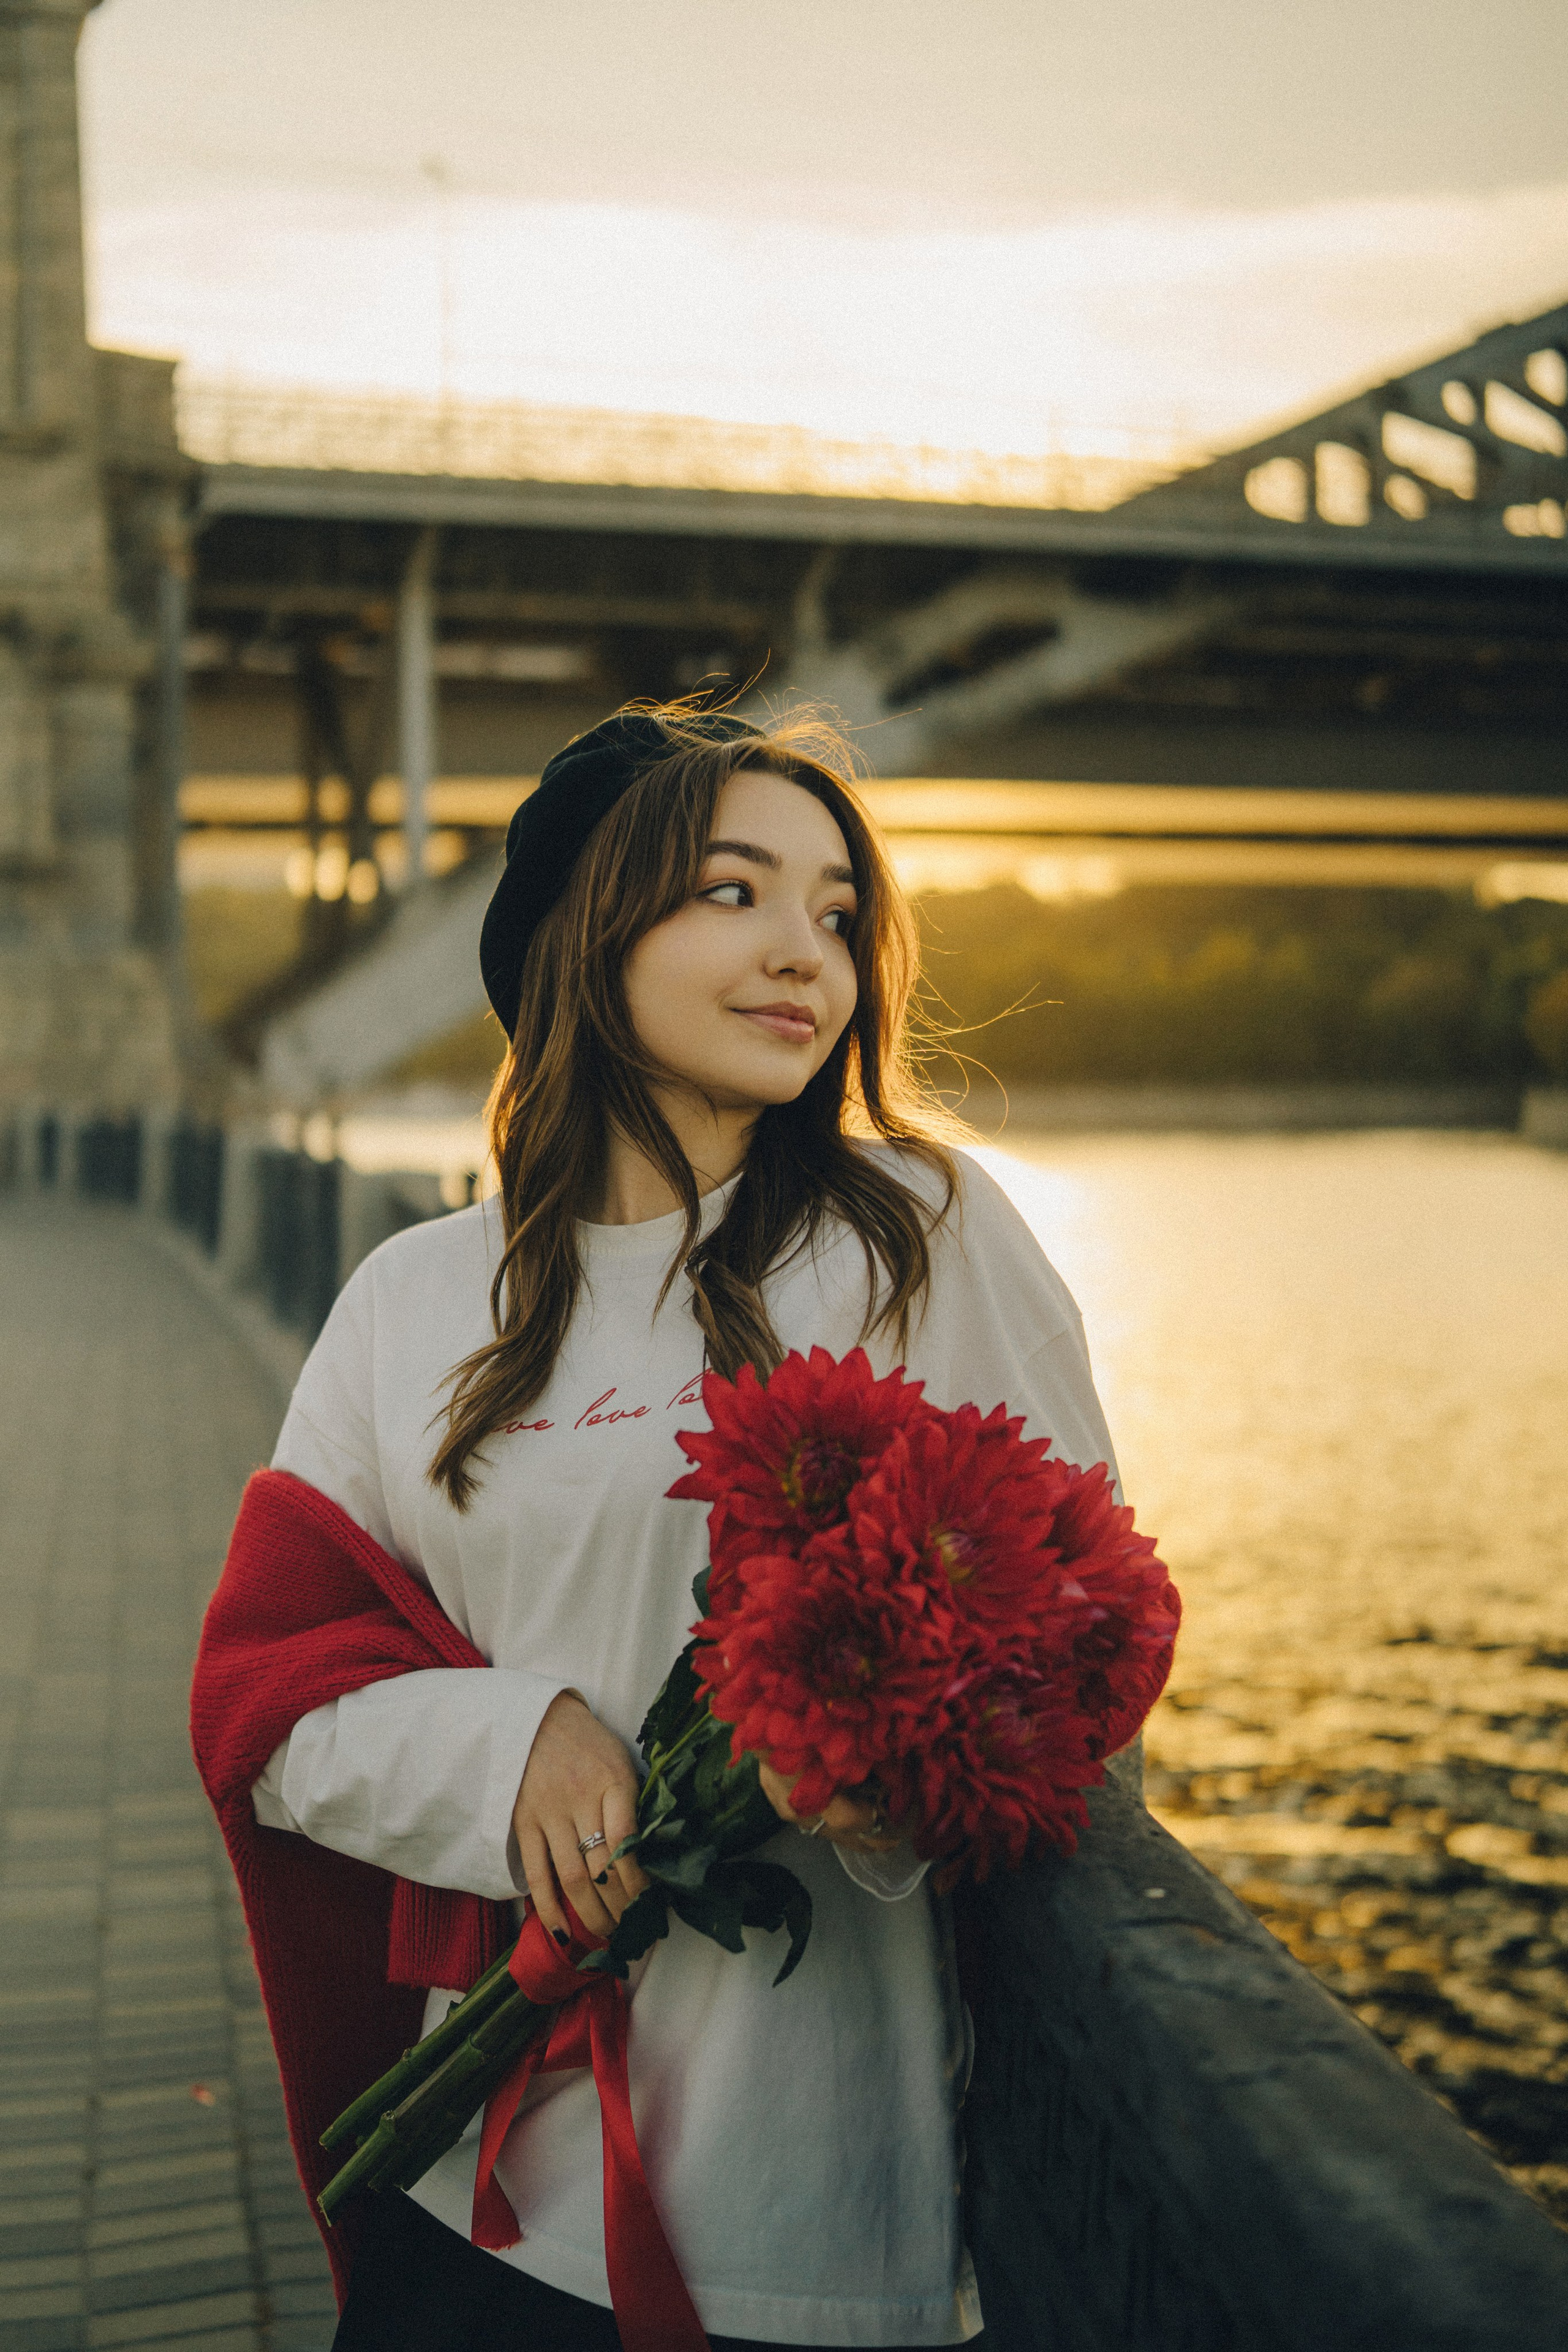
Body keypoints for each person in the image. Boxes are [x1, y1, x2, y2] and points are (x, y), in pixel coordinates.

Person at [245, 703, 1121, 2350]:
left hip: (799, 2225)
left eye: (838, 915)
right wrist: (509, 1753)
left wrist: (881, 1771)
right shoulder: (415, 1297)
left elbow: (1083, 1642)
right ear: (586, 929)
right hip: (471, 2196)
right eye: (735, 891)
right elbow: (271, 1704)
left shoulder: (923, 1238)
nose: (806, 952)